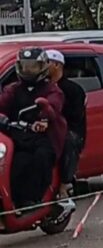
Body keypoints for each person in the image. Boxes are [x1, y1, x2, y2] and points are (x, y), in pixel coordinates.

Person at [0, 49, 66, 207]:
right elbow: (2, 103)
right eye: (25, 66)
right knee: (13, 162)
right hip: (18, 136)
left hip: (44, 138)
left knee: (40, 158)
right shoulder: (14, 89)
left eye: (33, 67)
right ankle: (11, 200)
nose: (28, 70)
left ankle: (32, 200)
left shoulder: (51, 89)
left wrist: (45, 117)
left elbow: (53, 106)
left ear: (42, 67)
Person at [47, 50, 85, 218]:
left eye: (47, 62)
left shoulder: (73, 90)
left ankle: (65, 186)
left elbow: (74, 116)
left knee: (67, 141)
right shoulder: (42, 88)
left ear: (57, 65)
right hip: (46, 131)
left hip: (70, 132)